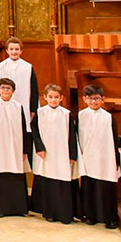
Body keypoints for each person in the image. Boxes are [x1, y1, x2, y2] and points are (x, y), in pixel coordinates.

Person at [30, 83, 77, 224]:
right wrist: (39, 147)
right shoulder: (40, 112)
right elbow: (35, 131)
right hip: (47, 152)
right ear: (45, 97)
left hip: (62, 153)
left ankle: (64, 214)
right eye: (50, 97)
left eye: (56, 97)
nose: (54, 100)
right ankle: (49, 213)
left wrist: (72, 155)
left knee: (62, 182)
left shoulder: (66, 114)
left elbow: (72, 136)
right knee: (49, 182)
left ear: (61, 98)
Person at [78, 84, 121, 229]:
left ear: (102, 99)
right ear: (85, 99)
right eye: (90, 99)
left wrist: (115, 159)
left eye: (96, 99)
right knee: (89, 187)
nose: (93, 102)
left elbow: (114, 139)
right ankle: (90, 216)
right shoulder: (81, 115)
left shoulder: (108, 117)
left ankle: (110, 218)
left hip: (105, 157)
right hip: (88, 156)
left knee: (107, 187)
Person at [0, 77, 30, 217]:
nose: (6, 90)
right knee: (0, 174)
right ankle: (0, 208)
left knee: (16, 173)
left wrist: (24, 150)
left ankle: (18, 208)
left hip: (15, 147)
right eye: (3, 88)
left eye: (9, 88)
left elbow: (24, 129)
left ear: (13, 91)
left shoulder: (18, 107)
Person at [0, 37, 38, 134]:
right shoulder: (1, 66)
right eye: (11, 49)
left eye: (17, 49)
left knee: (22, 128)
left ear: (21, 51)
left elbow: (34, 89)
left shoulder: (28, 67)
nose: (14, 52)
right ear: (7, 50)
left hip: (24, 102)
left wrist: (33, 108)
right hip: (4, 103)